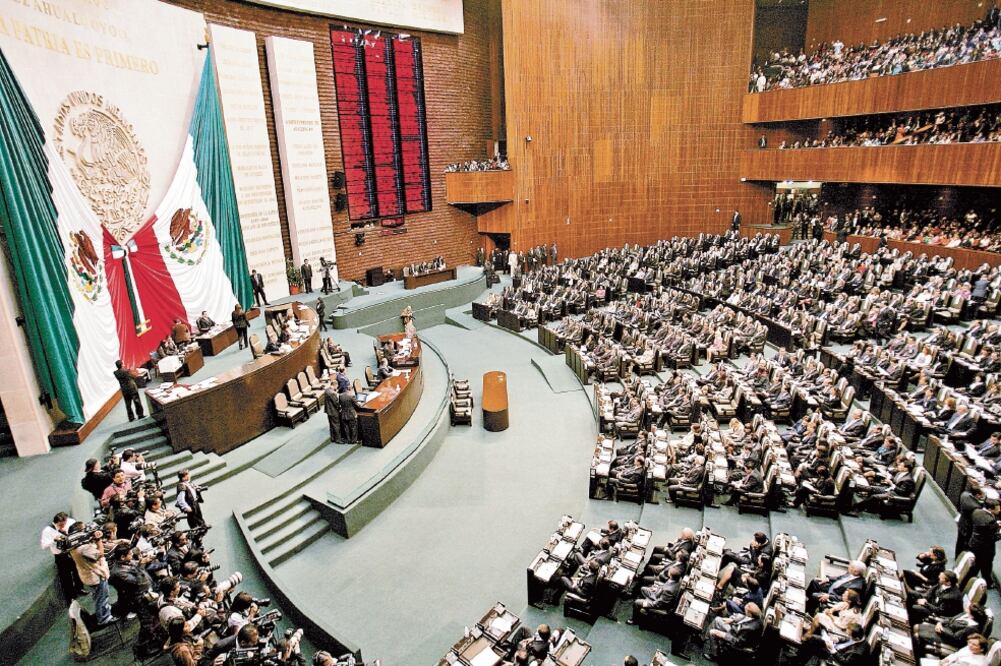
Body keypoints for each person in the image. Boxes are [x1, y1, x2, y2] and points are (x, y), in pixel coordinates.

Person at [68, 523, 116, 626]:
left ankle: (103, 614)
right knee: (102, 598)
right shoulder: (84, 548)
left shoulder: (73, 545)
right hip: (96, 575)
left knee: (98, 596)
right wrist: (98, 540)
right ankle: (104, 618)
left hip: (87, 574)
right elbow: (100, 554)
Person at [41, 512, 82, 602]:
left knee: (77, 570)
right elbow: (44, 545)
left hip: (71, 551)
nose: (63, 527)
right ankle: (70, 596)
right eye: (61, 525)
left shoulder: (71, 522)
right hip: (60, 556)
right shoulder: (48, 531)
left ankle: (80, 588)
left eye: (64, 524)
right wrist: (54, 540)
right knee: (65, 577)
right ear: (56, 522)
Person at [968, 499, 1000, 586]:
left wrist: (995, 524)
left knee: (975, 565)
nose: (999, 510)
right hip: (985, 548)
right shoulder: (990, 521)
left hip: (975, 543)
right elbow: (993, 537)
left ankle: (969, 581)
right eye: (997, 508)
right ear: (990, 509)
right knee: (986, 566)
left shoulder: (976, 511)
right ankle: (988, 582)